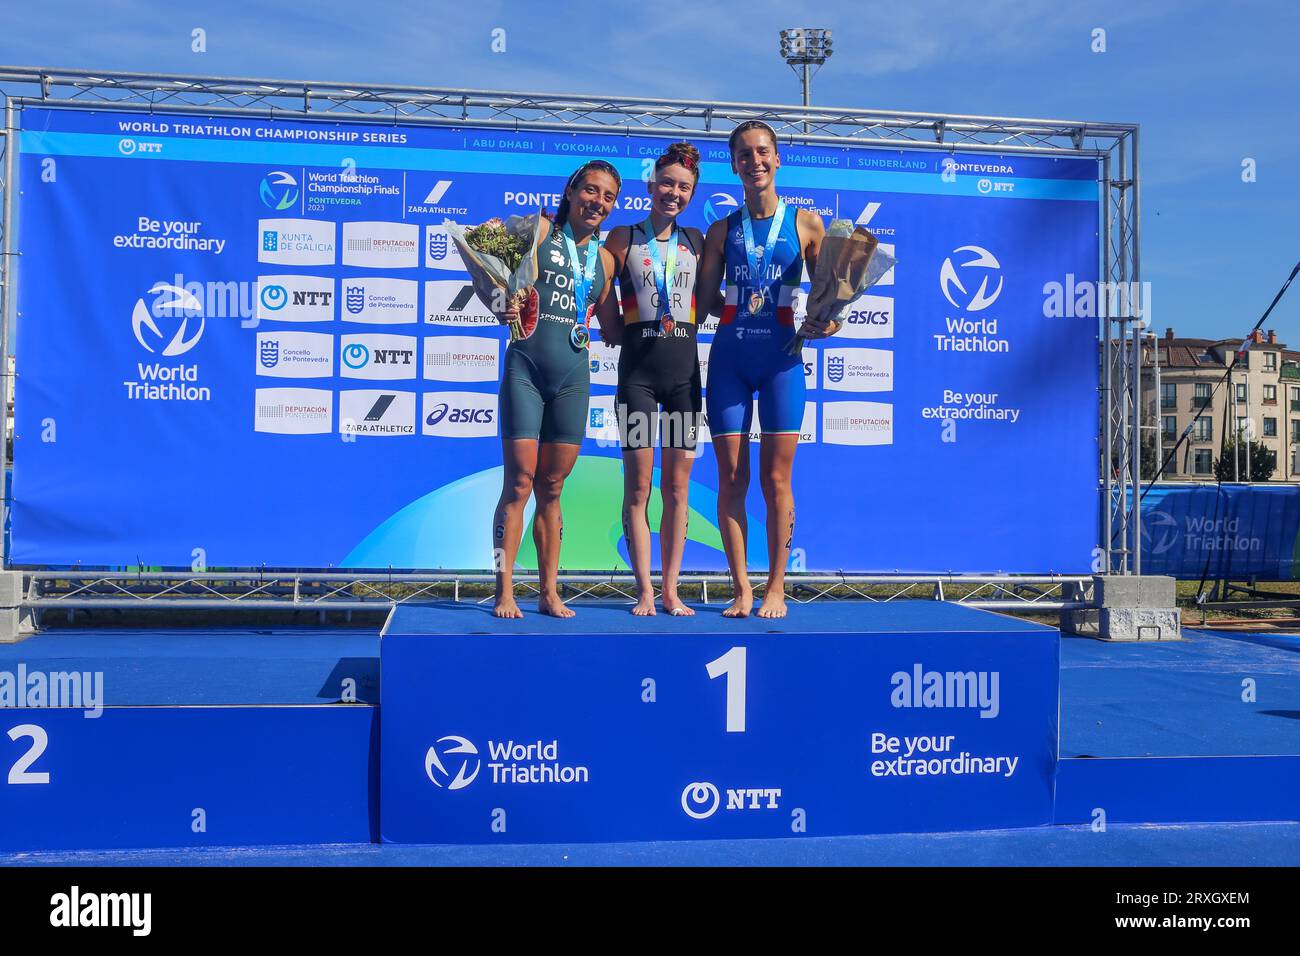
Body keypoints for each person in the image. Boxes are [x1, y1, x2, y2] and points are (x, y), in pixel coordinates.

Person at [697, 121, 838, 618]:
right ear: (733, 164)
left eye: (762, 152)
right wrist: (740, 306)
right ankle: (741, 588)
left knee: (776, 480)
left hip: (782, 361)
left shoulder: (807, 224)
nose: (754, 161)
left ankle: (776, 585)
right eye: (743, 154)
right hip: (730, 360)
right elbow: (706, 301)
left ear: (777, 159)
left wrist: (829, 322)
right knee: (731, 478)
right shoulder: (721, 230)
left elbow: (829, 298)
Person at [491, 160, 621, 619]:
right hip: (525, 369)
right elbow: (489, 277)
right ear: (571, 191)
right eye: (590, 190)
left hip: (573, 377)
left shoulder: (605, 262)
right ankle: (504, 590)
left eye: (608, 197)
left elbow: (615, 327)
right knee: (519, 483)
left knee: (552, 486)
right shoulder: (539, 230)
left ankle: (549, 591)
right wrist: (499, 302)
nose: (597, 202)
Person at [598, 142, 705, 616]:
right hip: (637, 379)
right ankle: (643, 590)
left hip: (684, 380)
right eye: (666, 183)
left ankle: (671, 589)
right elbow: (595, 289)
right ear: (651, 184)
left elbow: (720, 298)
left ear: (692, 193)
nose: (673, 193)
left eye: (683, 187)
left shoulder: (698, 241)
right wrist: (611, 328)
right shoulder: (623, 237)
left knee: (677, 490)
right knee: (638, 488)